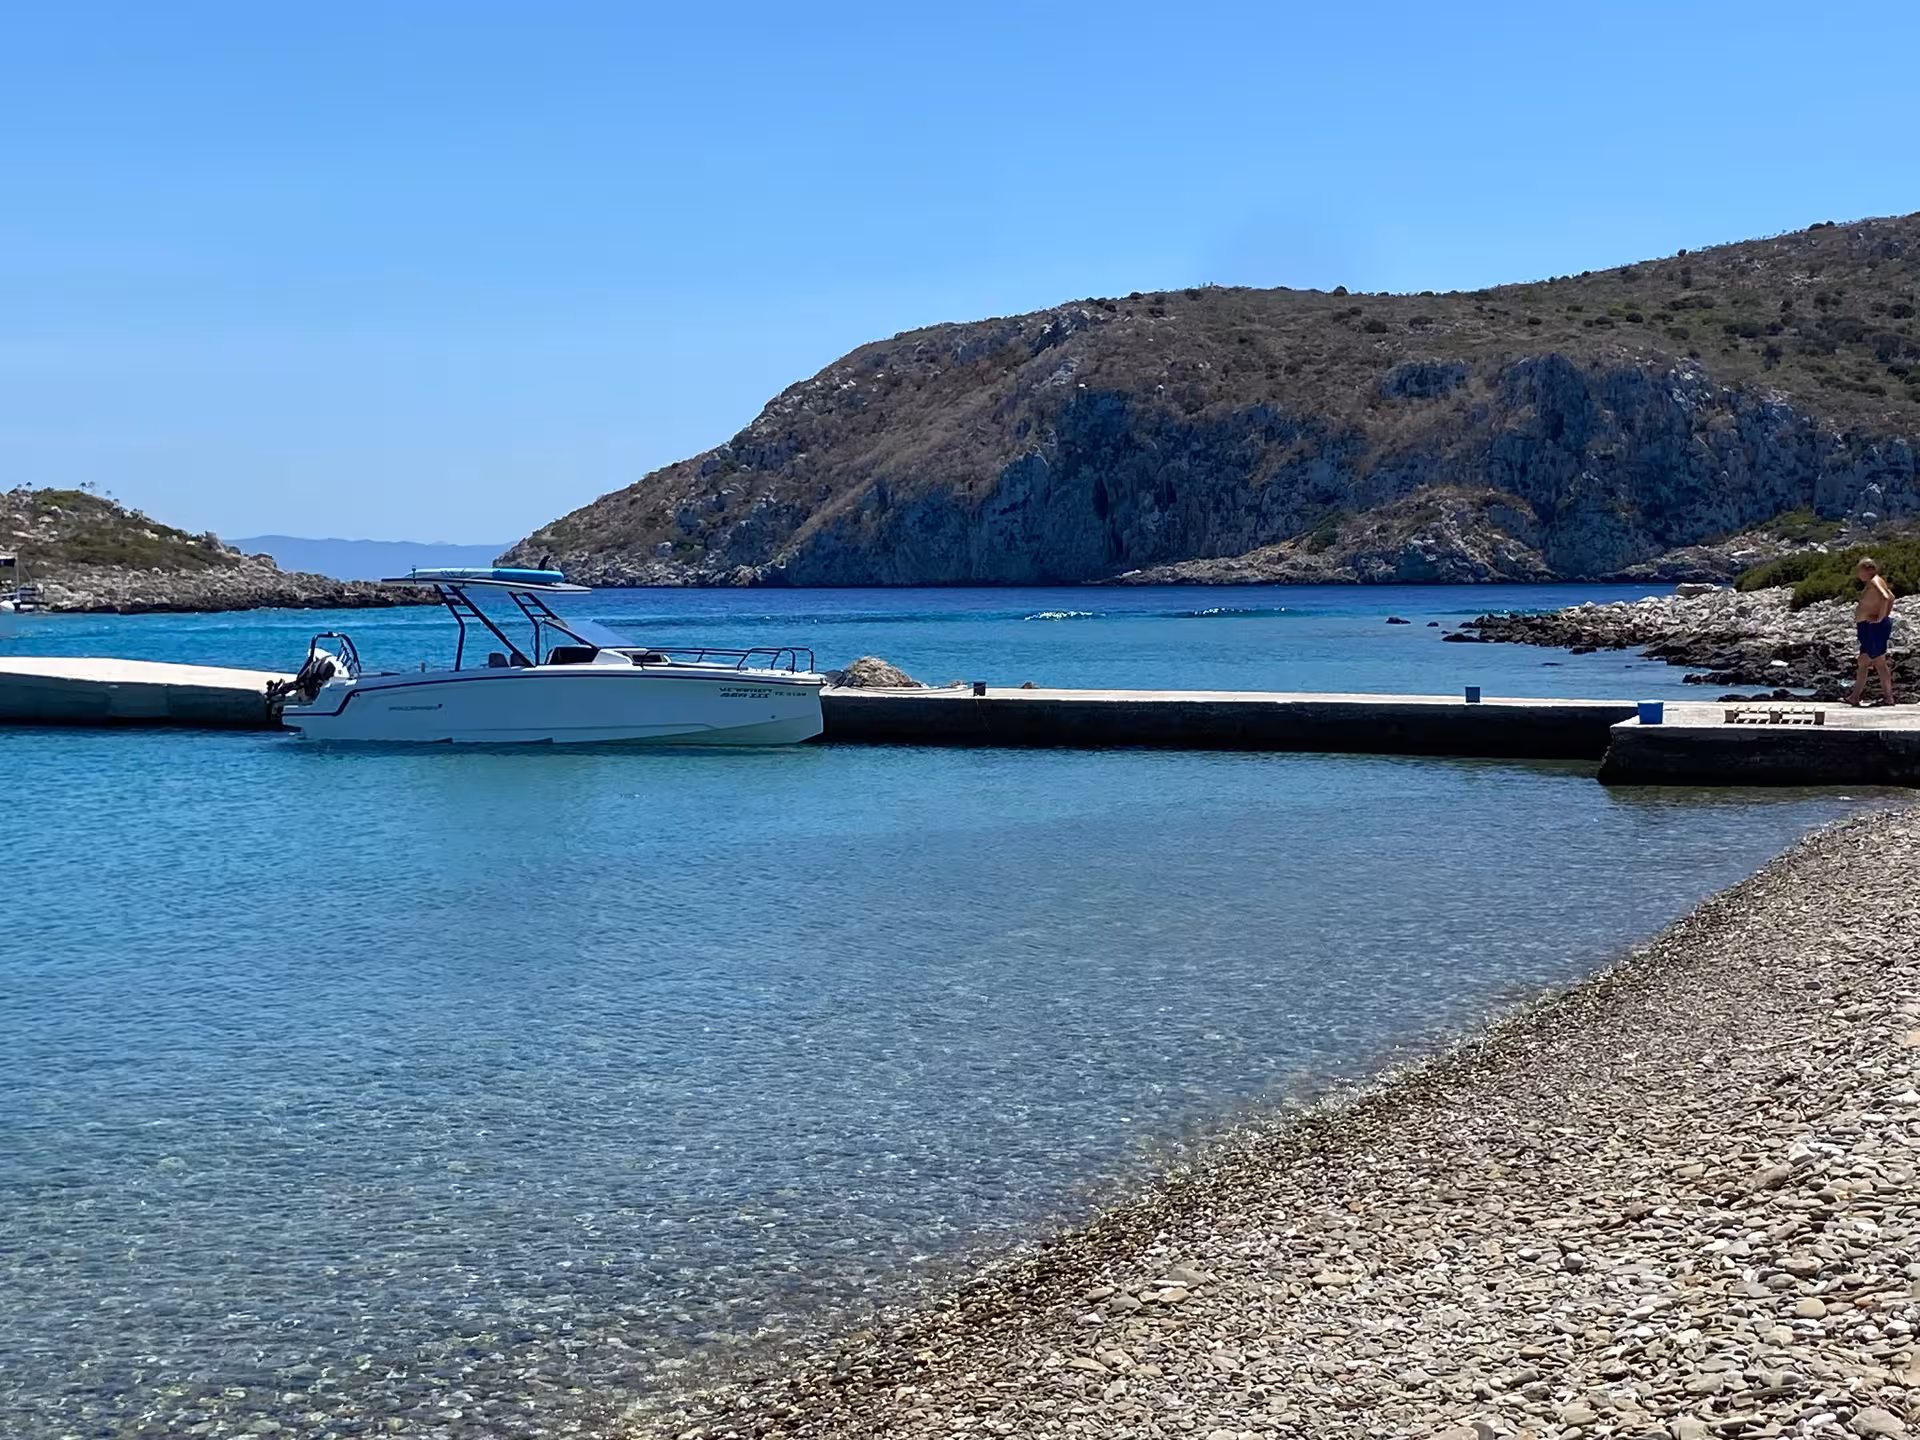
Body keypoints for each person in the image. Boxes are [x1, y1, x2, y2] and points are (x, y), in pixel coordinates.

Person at [1846, 557, 1898, 707]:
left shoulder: (1875, 581)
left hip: (1873, 627)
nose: (1858, 574)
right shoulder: (1875, 581)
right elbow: (1892, 597)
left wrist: (1880, 617)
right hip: (1868, 627)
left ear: (1868, 569)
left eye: (1860, 570)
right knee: (1864, 661)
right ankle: (1855, 697)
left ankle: (1888, 697)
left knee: (1879, 661)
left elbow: (1886, 597)